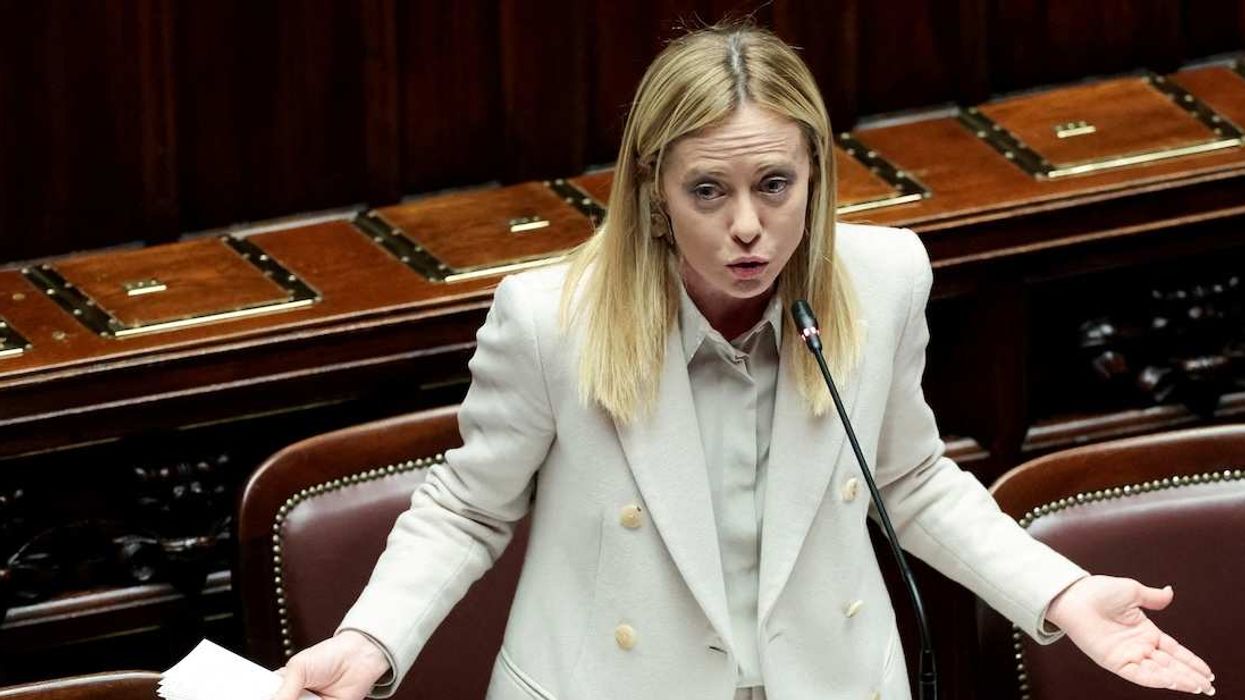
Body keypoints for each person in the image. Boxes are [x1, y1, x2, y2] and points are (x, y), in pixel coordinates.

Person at [273, 23, 1216, 700]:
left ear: (816, 176)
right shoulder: (550, 319)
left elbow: (912, 480)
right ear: (652, 195)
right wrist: (370, 639)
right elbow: (469, 509)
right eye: (707, 191)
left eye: (774, 185)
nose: (746, 228)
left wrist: (1061, 592)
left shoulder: (882, 279)